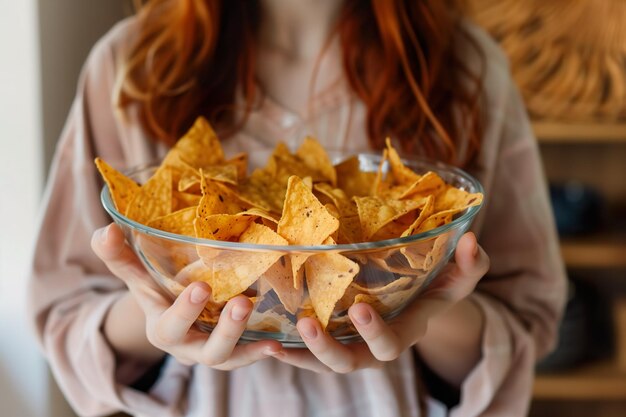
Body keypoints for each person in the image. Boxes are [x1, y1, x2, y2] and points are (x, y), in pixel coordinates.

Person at [28, 1, 566, 416]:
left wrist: (427, 307)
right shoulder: (131, 72)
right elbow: (63, 309)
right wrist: (154, 310)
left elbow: (526, 317)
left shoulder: (468, 73)